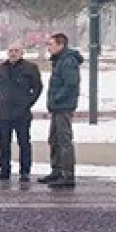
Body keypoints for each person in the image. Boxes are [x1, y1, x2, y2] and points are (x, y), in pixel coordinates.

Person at [0, 41, 42, 182]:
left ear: (22, 53)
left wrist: (27, 103)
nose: (13, 53)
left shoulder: (30, 68)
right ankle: (4, 170)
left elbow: (37, 88)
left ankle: (25, 171)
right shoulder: (0, 69)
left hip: (22, 112)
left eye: (16, 50)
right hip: (3, 112)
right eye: (11, 50)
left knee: (24, 142)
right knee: (4, 142)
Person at [39, 32, 83, 188]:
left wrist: (57, 98)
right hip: (57, 107)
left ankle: (67, 174)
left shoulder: (67, 61)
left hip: (63, 106)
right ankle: (56, 170)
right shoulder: (59, 61)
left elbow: (70, 84)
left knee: (64, 140)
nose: (48, 48)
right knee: (54, 140)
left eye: (51, 44)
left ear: (60, 45)